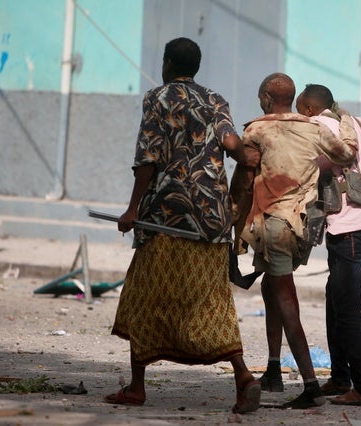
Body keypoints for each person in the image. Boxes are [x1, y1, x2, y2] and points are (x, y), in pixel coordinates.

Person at [105, 37, 261, 414]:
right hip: (211, 219)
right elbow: (231, 141)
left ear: (167, 62)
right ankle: (242, 377)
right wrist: (248, 158)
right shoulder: (214, 99)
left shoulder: (156, 99)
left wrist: (131, 209)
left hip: (165, 218)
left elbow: (148, 157)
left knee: (143, 294)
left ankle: (137, 387)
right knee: (212, 300)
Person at [236, 73, 359, 409]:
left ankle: (311, 388)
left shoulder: (256, 130)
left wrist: (233, 228)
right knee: (270, 290)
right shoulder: (315, 129)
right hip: (300, 228)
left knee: (286, 299)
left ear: (264, 96)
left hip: (273, 226)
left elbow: (244, 184)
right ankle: (274, 370)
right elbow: (348, 155)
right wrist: (345, 121)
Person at [295, 83, 361, 407]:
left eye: (300, 110)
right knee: (334, 296)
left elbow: (309, 167)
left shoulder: (313, 127)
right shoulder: (359, 123)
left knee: (348, 310)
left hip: (348, 226)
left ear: (311, 109)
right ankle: (340, 377)